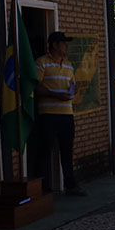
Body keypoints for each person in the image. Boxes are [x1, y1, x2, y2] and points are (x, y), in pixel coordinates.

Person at [34, 31, 84, 196]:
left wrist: (72, 91)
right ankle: (42, 187)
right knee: (44, 151)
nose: (66, 47)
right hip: (48, 114)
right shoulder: (41, 63)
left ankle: (71, 185)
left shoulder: (68, 65)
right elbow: (36, 87)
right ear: (55, 45)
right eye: (63, 43)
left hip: (67, 114)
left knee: (67, 151)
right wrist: (56, 95)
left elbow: (72, 85)